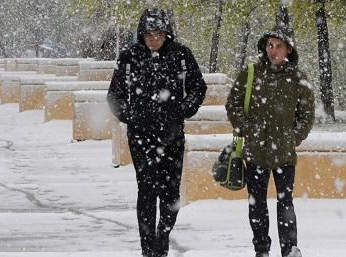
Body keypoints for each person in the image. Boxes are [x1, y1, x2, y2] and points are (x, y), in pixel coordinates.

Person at [106, 8, 207, 257]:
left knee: (171, 192)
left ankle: (163, 234)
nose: (154, 39)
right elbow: (115, 95)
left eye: (159, 34)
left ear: (167, 34)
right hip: (141, 136)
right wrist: (131, 117)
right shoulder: (129, 57)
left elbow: (198, 87)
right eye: (149, 34)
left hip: (172, 135)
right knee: (147, 190)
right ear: (142, 34)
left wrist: (182, 110)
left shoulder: (181, 55)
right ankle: (148, 246)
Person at [225, 22, 315, 257]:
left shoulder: (297, 79)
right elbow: (233, 104)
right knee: (257, 203)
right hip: (256, 151)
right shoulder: (251, 73)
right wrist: (245, 128)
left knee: (285, 202)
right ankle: (261, 249)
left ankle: (289, 250)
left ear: (288, 50)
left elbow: (307, 114)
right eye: (270, 45)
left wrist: (295, 137)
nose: (273, 50)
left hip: (284, 152)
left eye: (278, 46)